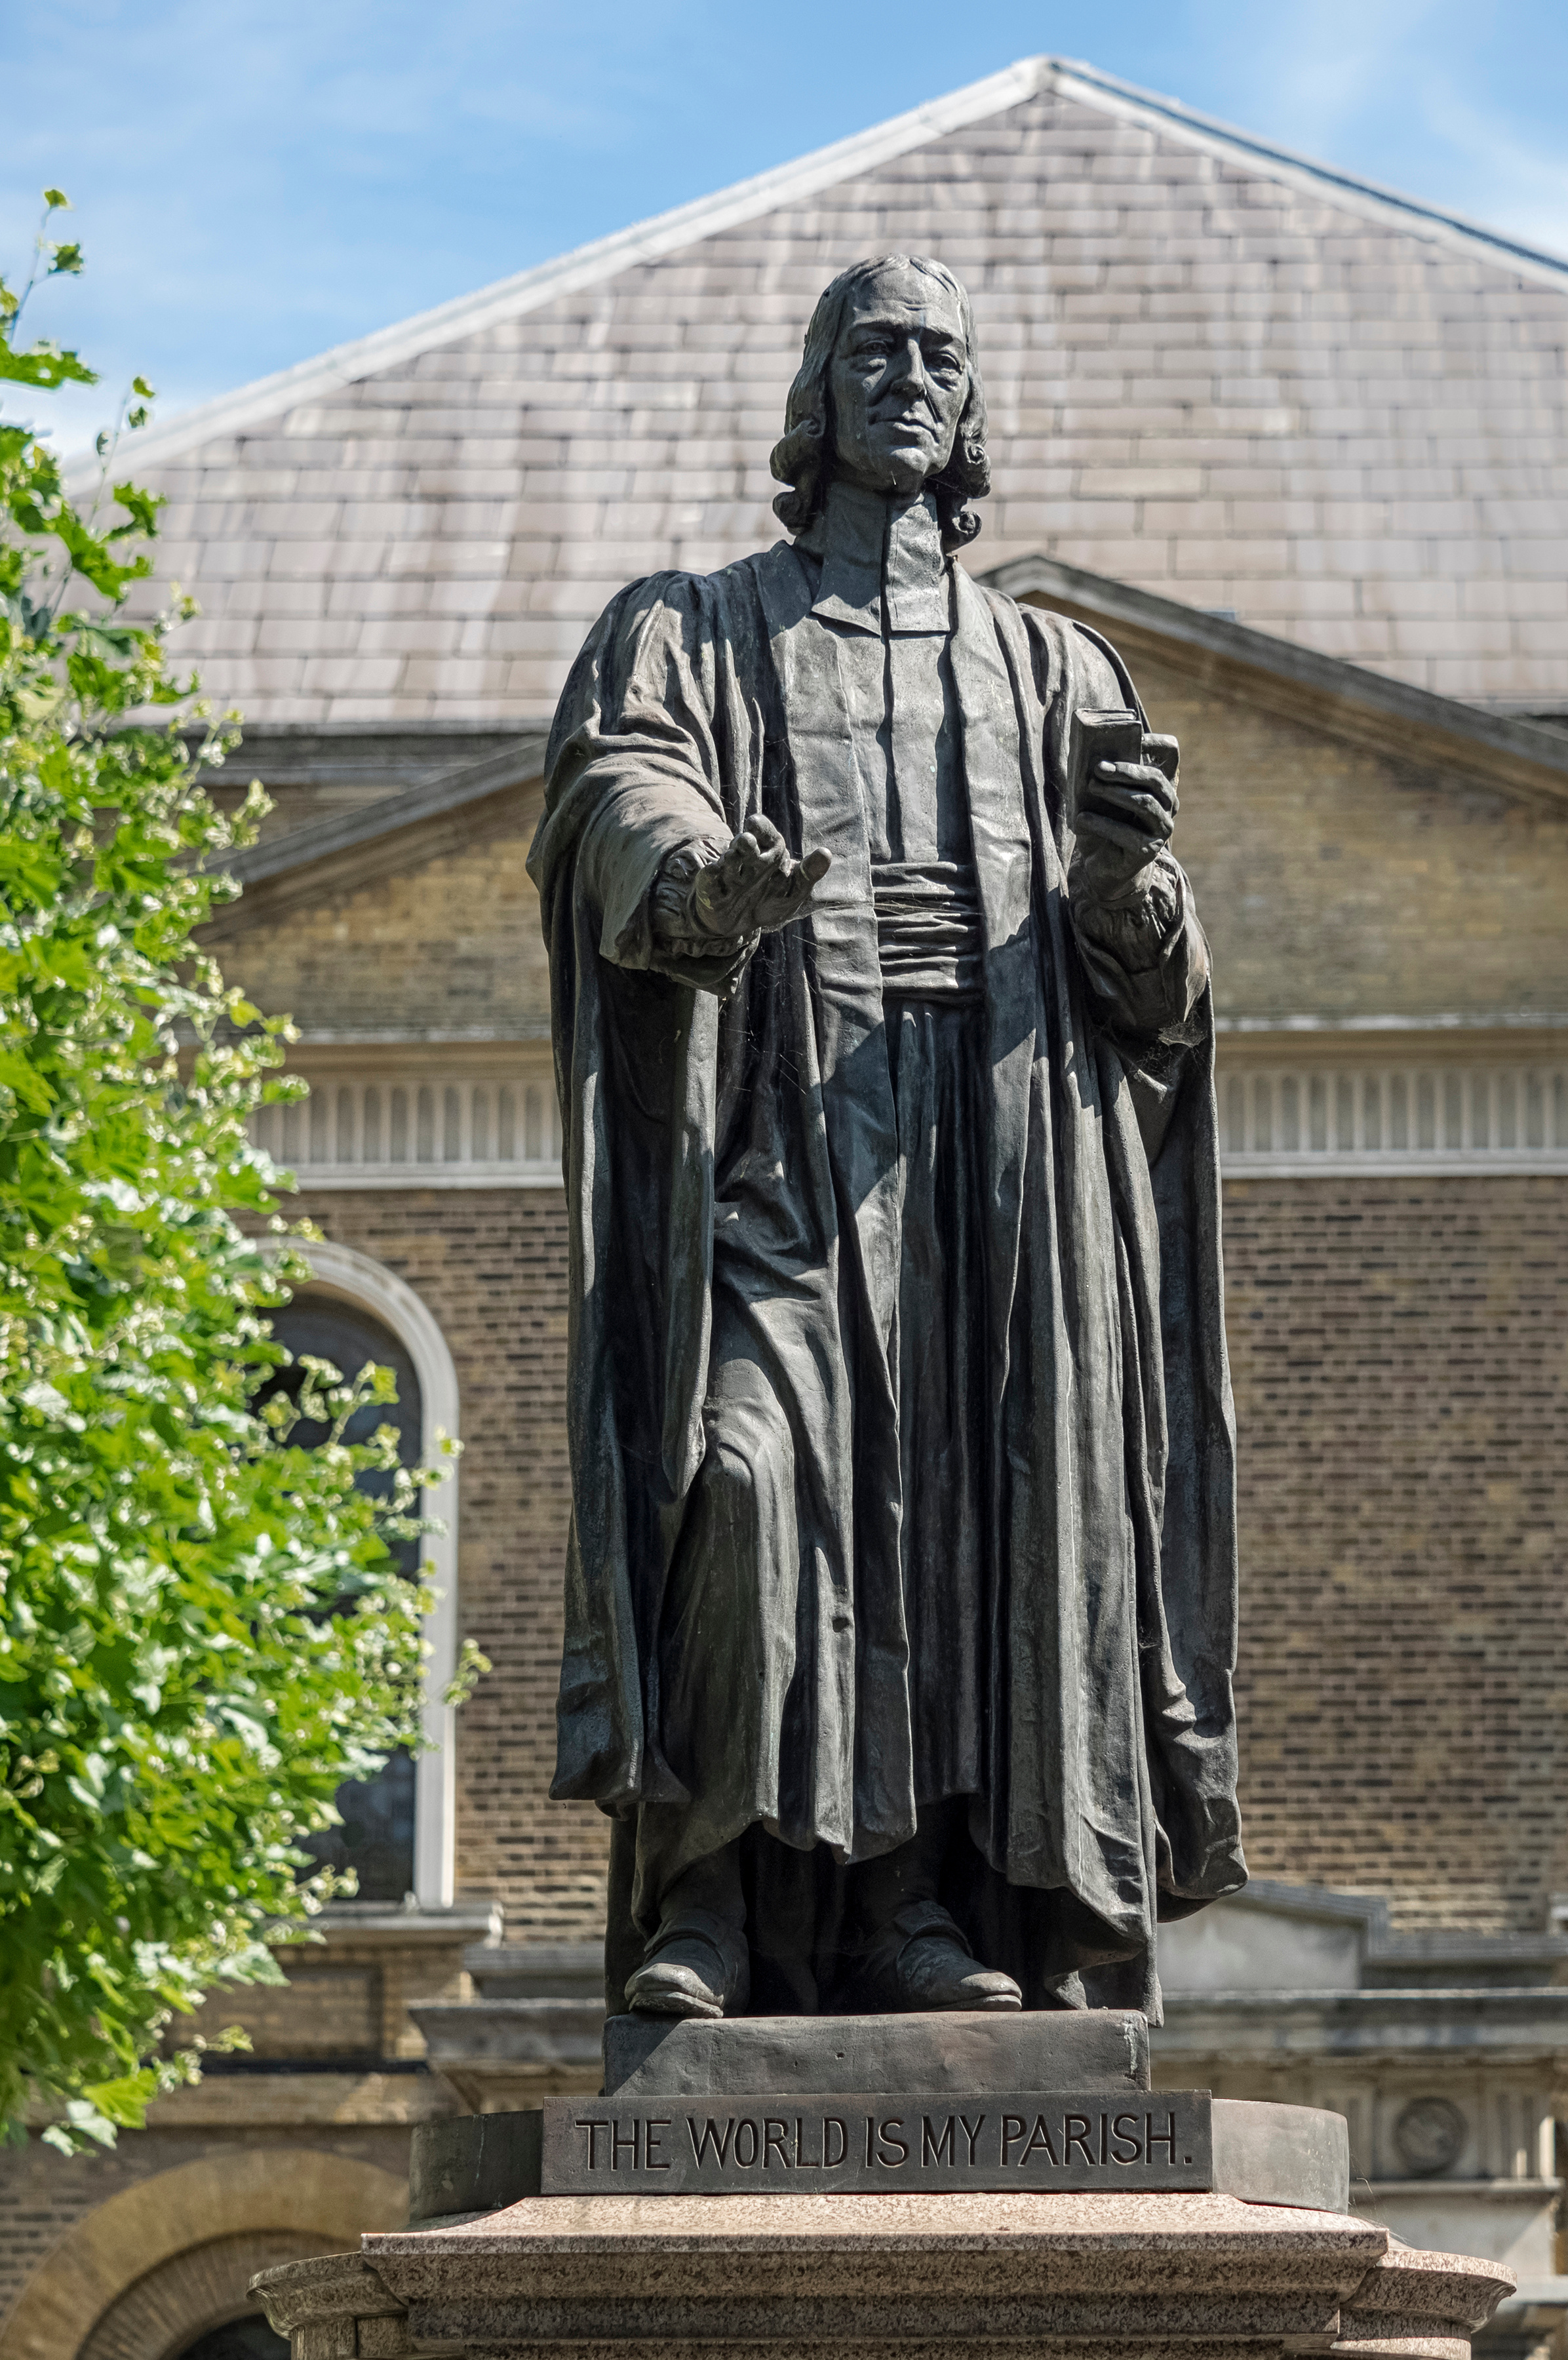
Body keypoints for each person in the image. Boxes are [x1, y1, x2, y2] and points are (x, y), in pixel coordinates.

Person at [528, 254, 1244, 2022]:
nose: (906, 377)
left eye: (936, 353)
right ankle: (704, 1895)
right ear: (819, 391)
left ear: (967, 405)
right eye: (873, 348)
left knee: (966, 1535)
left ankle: (920, 1909)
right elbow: (620, 783)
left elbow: (1158, 996)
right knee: (745, 1481)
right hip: (786, 1152)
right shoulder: (697, 629)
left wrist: (1117, 882)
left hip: (998, 1178)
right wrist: (699, 879)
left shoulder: (1054, 673)